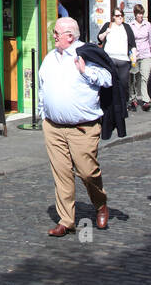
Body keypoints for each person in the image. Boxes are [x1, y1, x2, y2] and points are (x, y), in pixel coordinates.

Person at [37, 15, 111, 237]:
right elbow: (42, 85)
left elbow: (108, 78)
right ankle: (66, 220)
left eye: (56, 33)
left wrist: (85, 71)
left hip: (83, 128)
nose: (53, 36)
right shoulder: (50, 58)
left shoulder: (86, 54)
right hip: (53, 127)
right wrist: (43, 112)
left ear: (69, 36)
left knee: (87, 173)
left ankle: (100, 203)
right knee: (61, 174)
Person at [96, 7, 135, 130]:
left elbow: (132, 43)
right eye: (117, 16)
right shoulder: (108, 25)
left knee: (123, 84)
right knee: (110, 83)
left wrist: (134, 55)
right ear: (113, 16)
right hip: (110, 58)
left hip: (123, 59)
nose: (120, 18)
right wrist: (106, 32)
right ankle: (109, 107)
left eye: (121, 16)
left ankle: (122, 108)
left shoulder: (127, 27)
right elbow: (99, 38)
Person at [129, 3, 151, 112]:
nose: (141, 16)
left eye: (142, 14)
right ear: (135, 14)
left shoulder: (147, 25)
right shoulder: (130, 25)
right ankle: (133, 98)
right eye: (139, 14)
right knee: (133, 78)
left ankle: (145, 100)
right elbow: (129, 41)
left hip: (145, 54)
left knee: (145, 77)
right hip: (135, 55)